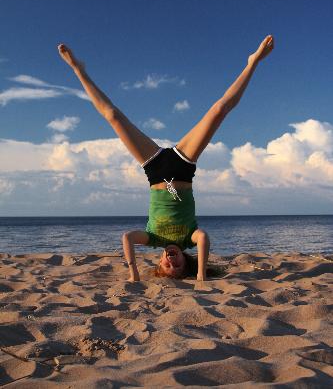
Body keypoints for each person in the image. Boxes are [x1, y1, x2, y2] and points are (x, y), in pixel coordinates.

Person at [58, 35, 274, 282]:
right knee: (219, 110)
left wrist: (133, 275)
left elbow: (127, 238)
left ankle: (78, 69)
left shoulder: (153, 238)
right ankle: (253, 62)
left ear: (160, 261)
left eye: (167, 265)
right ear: (185, 260)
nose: (171, 261)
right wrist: (201, 276)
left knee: (113, 116)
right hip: (183, 166)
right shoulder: (188, 238)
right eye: (177, 266)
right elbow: (203, 238)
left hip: (155, 168)